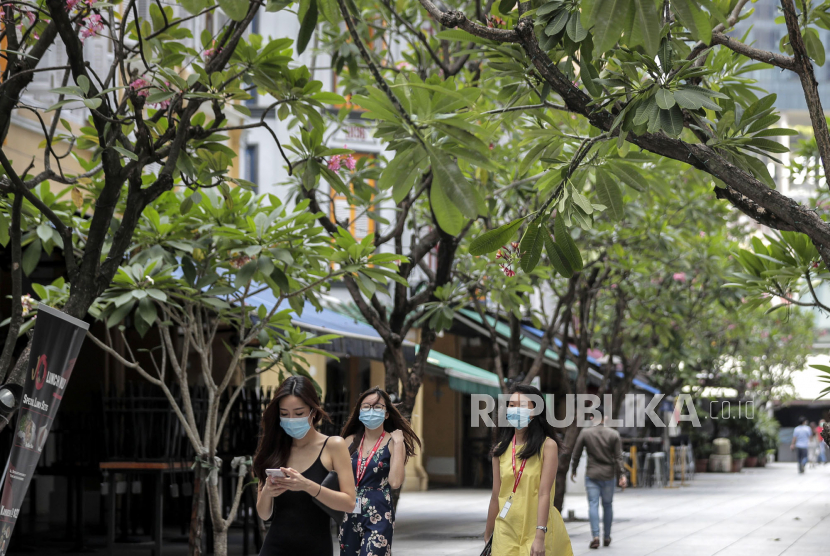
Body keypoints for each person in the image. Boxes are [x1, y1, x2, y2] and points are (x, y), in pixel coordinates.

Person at [253, 376, 356, 556]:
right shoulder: (274, 449)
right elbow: (263, 514)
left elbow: (349, 503)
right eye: (284, 414)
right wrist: (268, 491)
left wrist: (307, 486)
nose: (291, 419)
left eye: (299, 413)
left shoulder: (334, 446)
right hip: (274, 547)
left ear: (313, 412)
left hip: (316, 548)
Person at [485, 384, 573, 556]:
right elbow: (496, 495)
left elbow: (544, 493)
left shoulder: (547, 446)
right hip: (506, 528)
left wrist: (540, 535)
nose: (515, 410)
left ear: (536, 411)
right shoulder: (500, 450)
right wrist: (488, 532)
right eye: (512, 405)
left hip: (538, 527)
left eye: (522, 405)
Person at [339, 387, 421, 556]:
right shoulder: (349, 441)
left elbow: (396, 482)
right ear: (359, 412)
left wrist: (399, 443)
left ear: (386, 414)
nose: (371, 411)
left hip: (379, 511)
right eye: (366, 407)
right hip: (350, 509)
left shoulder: (393, 442)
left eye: (378, 407)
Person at [570, 407, 627, 550]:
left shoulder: (585, 433)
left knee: (593, 504)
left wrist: (574, 469)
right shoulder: (613, 434)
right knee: (608, 505)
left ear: (591, 418)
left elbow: (576, 453)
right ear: (605, 418)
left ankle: (595, 536)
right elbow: (618, 457)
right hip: (608, 475)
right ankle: (606, 536)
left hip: (592, 474)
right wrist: (622, 475)